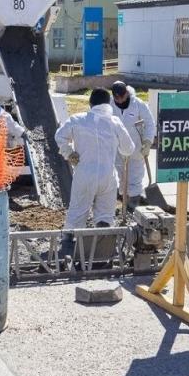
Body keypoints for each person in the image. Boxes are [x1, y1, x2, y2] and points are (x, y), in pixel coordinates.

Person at [55, 88, 135, 256]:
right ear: (108, 104)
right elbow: (129, 149)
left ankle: (68, 250)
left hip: (84, 173)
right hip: (108, 175)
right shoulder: (114, 122)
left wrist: (69, 153)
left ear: (90, 104)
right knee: (105, 215)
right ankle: (102, 253)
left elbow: (59, 136)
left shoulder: (78, 119)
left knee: (77, 211)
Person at [110, 81, 156, 207]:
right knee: (122, 176)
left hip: (136, 147)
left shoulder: (138, 104)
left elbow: (150, 123)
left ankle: (134, 203)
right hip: (117, 147)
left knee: (135, 176)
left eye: (122, 97)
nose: (119, 101)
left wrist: (147, 142)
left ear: (127, 94)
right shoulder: (109, 104)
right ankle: (124, 201)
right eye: (116, 98)